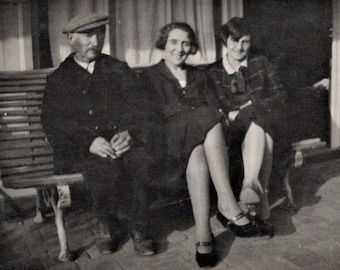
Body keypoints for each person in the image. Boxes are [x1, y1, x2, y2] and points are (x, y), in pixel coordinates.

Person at [141, 22, 259, 268]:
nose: (179, 48)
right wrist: (187, 114)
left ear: (191, 47)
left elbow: (215, 105)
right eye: (174, 42)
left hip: (198, 141)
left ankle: (203, 234)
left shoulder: (198, 75)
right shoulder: (149, 77)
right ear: (164, 44)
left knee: (197, 149)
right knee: (206, 117)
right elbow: (150, 117)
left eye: (185, 43)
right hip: (168, 143)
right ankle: (227, 203)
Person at [41, 13, 157, 257]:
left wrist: (130, 133)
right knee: (101, 167)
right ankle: (106, 222)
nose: (95, 40)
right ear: (71, 38)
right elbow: (54, 124)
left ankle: (139, 227)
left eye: (100, 33)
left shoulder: (117, 69)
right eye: (87, 35)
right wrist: (88, 142)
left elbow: (141, 107)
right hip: (82, 150)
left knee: (139, 161)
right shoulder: (59, 80)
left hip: (120, 144)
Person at [208, 17, 291, 238]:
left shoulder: (261, 62)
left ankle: (251, 184)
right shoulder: (213, 72)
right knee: (262, 127)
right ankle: (262, 209)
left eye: (245, 41)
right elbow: (213, 108)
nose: (239, 47)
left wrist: (252, 108)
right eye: (234, 41)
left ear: (250, 41)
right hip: (232, 133)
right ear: (224, 41)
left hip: (260, 125)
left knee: (259, 123)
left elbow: (281, 96)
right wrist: (235, 113)